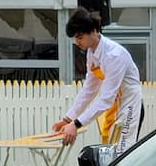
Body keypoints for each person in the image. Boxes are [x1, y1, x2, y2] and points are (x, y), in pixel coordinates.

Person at [53, 8, 144, 152]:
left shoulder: (114, 56)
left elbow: (105, 99)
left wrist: (76, 124)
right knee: (109, 150)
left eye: (80, 37)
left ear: (94, 31)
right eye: (75, 38)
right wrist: (68, 119)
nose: (77, 42)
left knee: (123, 152)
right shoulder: (91, 53)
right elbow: (89, 89)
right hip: (114, 104)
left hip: (129, 104)